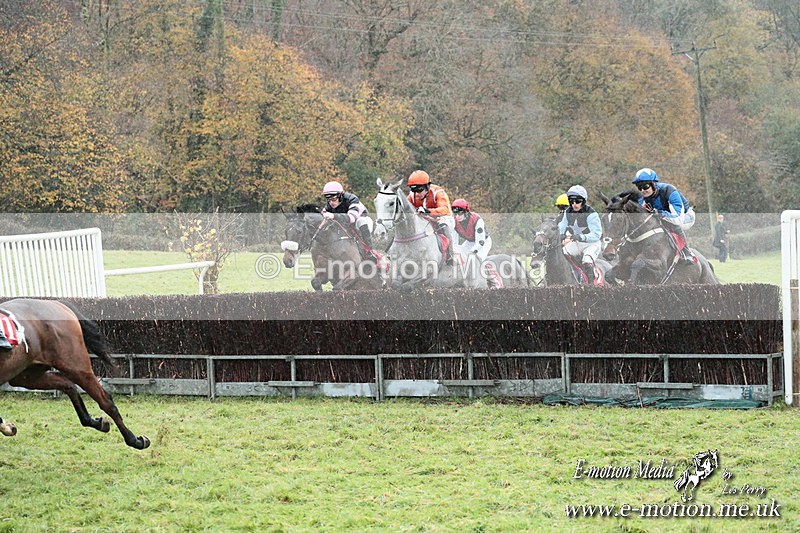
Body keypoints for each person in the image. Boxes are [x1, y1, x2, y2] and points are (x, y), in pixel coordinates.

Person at [631, 167, 697, 264]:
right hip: (665, 217)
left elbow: (678, 218)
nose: (642, 190)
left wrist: (660, 214)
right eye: (639, 187)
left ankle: (687, 253)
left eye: (645, 186)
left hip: (685, 217)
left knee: (674, 224)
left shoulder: (669, 191)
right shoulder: (642, 199)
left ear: (654, 184)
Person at [406, 170, 456, 264]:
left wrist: (428, 211)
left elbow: (445, 210)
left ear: (427, 187)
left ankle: (450, 256)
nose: (417, 194)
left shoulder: (438, 192)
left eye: (419, 190)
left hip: (443, 218)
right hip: (425, 218)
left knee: (443, 225)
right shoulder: (412, 195)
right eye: (414, 190)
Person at [557, 185, 603, 284]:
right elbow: (562, 226)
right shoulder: (567, 212)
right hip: (577, 242)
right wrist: (560, 235)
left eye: (577, 201)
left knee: (587, 261)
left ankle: (591, 286)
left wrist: (581, 237)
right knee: (562, 254)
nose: (574, 204)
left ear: (583, 201)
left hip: (592, 244)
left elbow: (597, 235)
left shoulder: (591, 214)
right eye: (571, 201)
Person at [320, 181, 376, 256]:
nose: (331, 203)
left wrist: (333, 216)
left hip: (360, 222)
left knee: (361, 221)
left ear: (340, 196)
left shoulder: (352, 199)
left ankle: (370, 251)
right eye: (328, 200)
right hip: (346, 225)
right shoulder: (329, 205)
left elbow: (351, 218)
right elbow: (323, 216)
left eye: (333, 199)